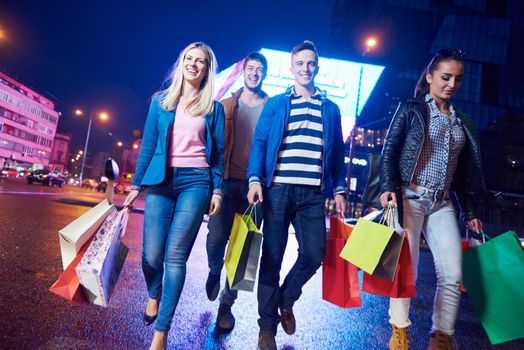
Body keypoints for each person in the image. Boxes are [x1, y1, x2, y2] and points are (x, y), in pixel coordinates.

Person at [379, 49, 487, 350]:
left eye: (457, 79)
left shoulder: (461, 121)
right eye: (445, 77)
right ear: (429, 77)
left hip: (442, 203)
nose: (451, 84)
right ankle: (399, 332)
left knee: (452, 273)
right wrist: (388, 186)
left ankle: (441, 337)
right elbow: (390, 151)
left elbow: (466, 173)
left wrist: (472, 210)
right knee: (406, 269)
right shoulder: (411, 108)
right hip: (410, 197)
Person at [123, 42, 225, 350]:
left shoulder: (214, 109)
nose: (193, 64)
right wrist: (135, 186)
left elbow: (219, 154)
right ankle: (154, 292)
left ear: (208, 69)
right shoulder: (160, 102)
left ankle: (161, 333)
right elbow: (149, 146)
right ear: (181, 64)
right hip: (161, 181)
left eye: (200, 61)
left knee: (175, 256)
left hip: (196, 183)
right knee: (151, 255)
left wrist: (217, 189)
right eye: (189, 59)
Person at [247, 40, 347, 350]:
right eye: (300, 64)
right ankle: (267, 328)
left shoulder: (330, 109)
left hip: (312, 195)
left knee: (314, 254)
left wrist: (339, 188)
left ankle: (286, 298)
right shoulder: (277, 104)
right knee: (272, 257)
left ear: (317, 67)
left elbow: (337, 154)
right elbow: (261, 143)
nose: (306, 68)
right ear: (292, 68)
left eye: (311, 64)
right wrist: (255, 180)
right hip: (277, 191)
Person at [205, 51, 268, 330]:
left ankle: (226, 304)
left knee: (244, 248)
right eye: (250, 68)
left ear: (264, 74)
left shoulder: (273, 107)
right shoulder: (227, 104)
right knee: (216, 236)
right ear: (244, 71)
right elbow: (215, 145)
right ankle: (214, 269)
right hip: (227, 182)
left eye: (259, 70)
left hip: (256, 187)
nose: (254, 73)